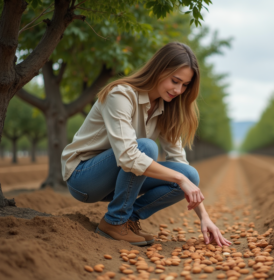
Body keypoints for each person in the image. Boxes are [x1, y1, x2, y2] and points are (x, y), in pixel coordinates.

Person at [61, 42, 231, 247]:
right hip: (84, 178)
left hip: (117, 181)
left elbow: (181, 166)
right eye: (175, 81)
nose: (178, 90)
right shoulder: (120, 94)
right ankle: (114, 222)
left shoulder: (167, 109)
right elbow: (128, 156)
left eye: (185, 85)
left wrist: (204, 216)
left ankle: (128, 219)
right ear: (159, 70)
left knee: (190, 174)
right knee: (146, 148)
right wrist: (179, 179)